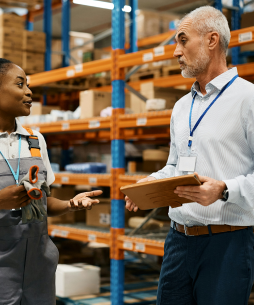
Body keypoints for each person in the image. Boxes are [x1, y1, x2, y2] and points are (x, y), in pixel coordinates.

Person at [125, 6, 254, 305]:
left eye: (183, 40)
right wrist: (149, 186)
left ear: (211, 40)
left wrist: (223, 190)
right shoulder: (182, 106)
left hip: (228, 243)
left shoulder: (248, 99)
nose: (175, 52)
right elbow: (175, 164)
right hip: (178, 242)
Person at [0, 58, 102, 305]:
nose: (29, 91)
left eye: (27, 85)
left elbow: (43, 203)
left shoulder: (35, 141)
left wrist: (71, 204)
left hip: (39, 267)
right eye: (20, 84)